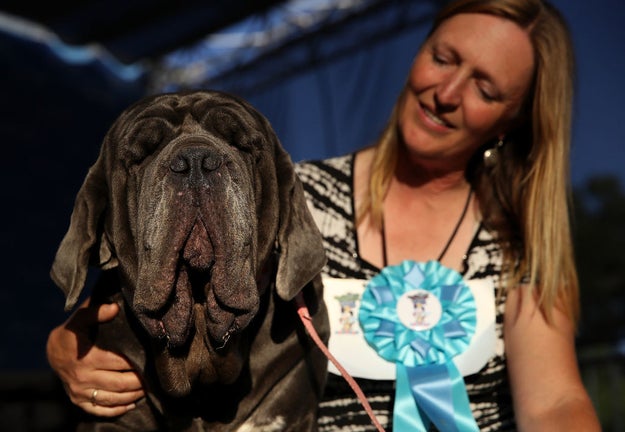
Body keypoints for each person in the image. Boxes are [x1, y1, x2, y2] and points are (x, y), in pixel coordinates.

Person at [46, 0, 601, 430]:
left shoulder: (521, 240)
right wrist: (68, 346)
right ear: (419, 50)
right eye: (443, 57)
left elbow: (553, 403)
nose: (447, 92)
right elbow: (140, 286)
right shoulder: (293, 194)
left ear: (510, 121)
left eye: (484, 87)